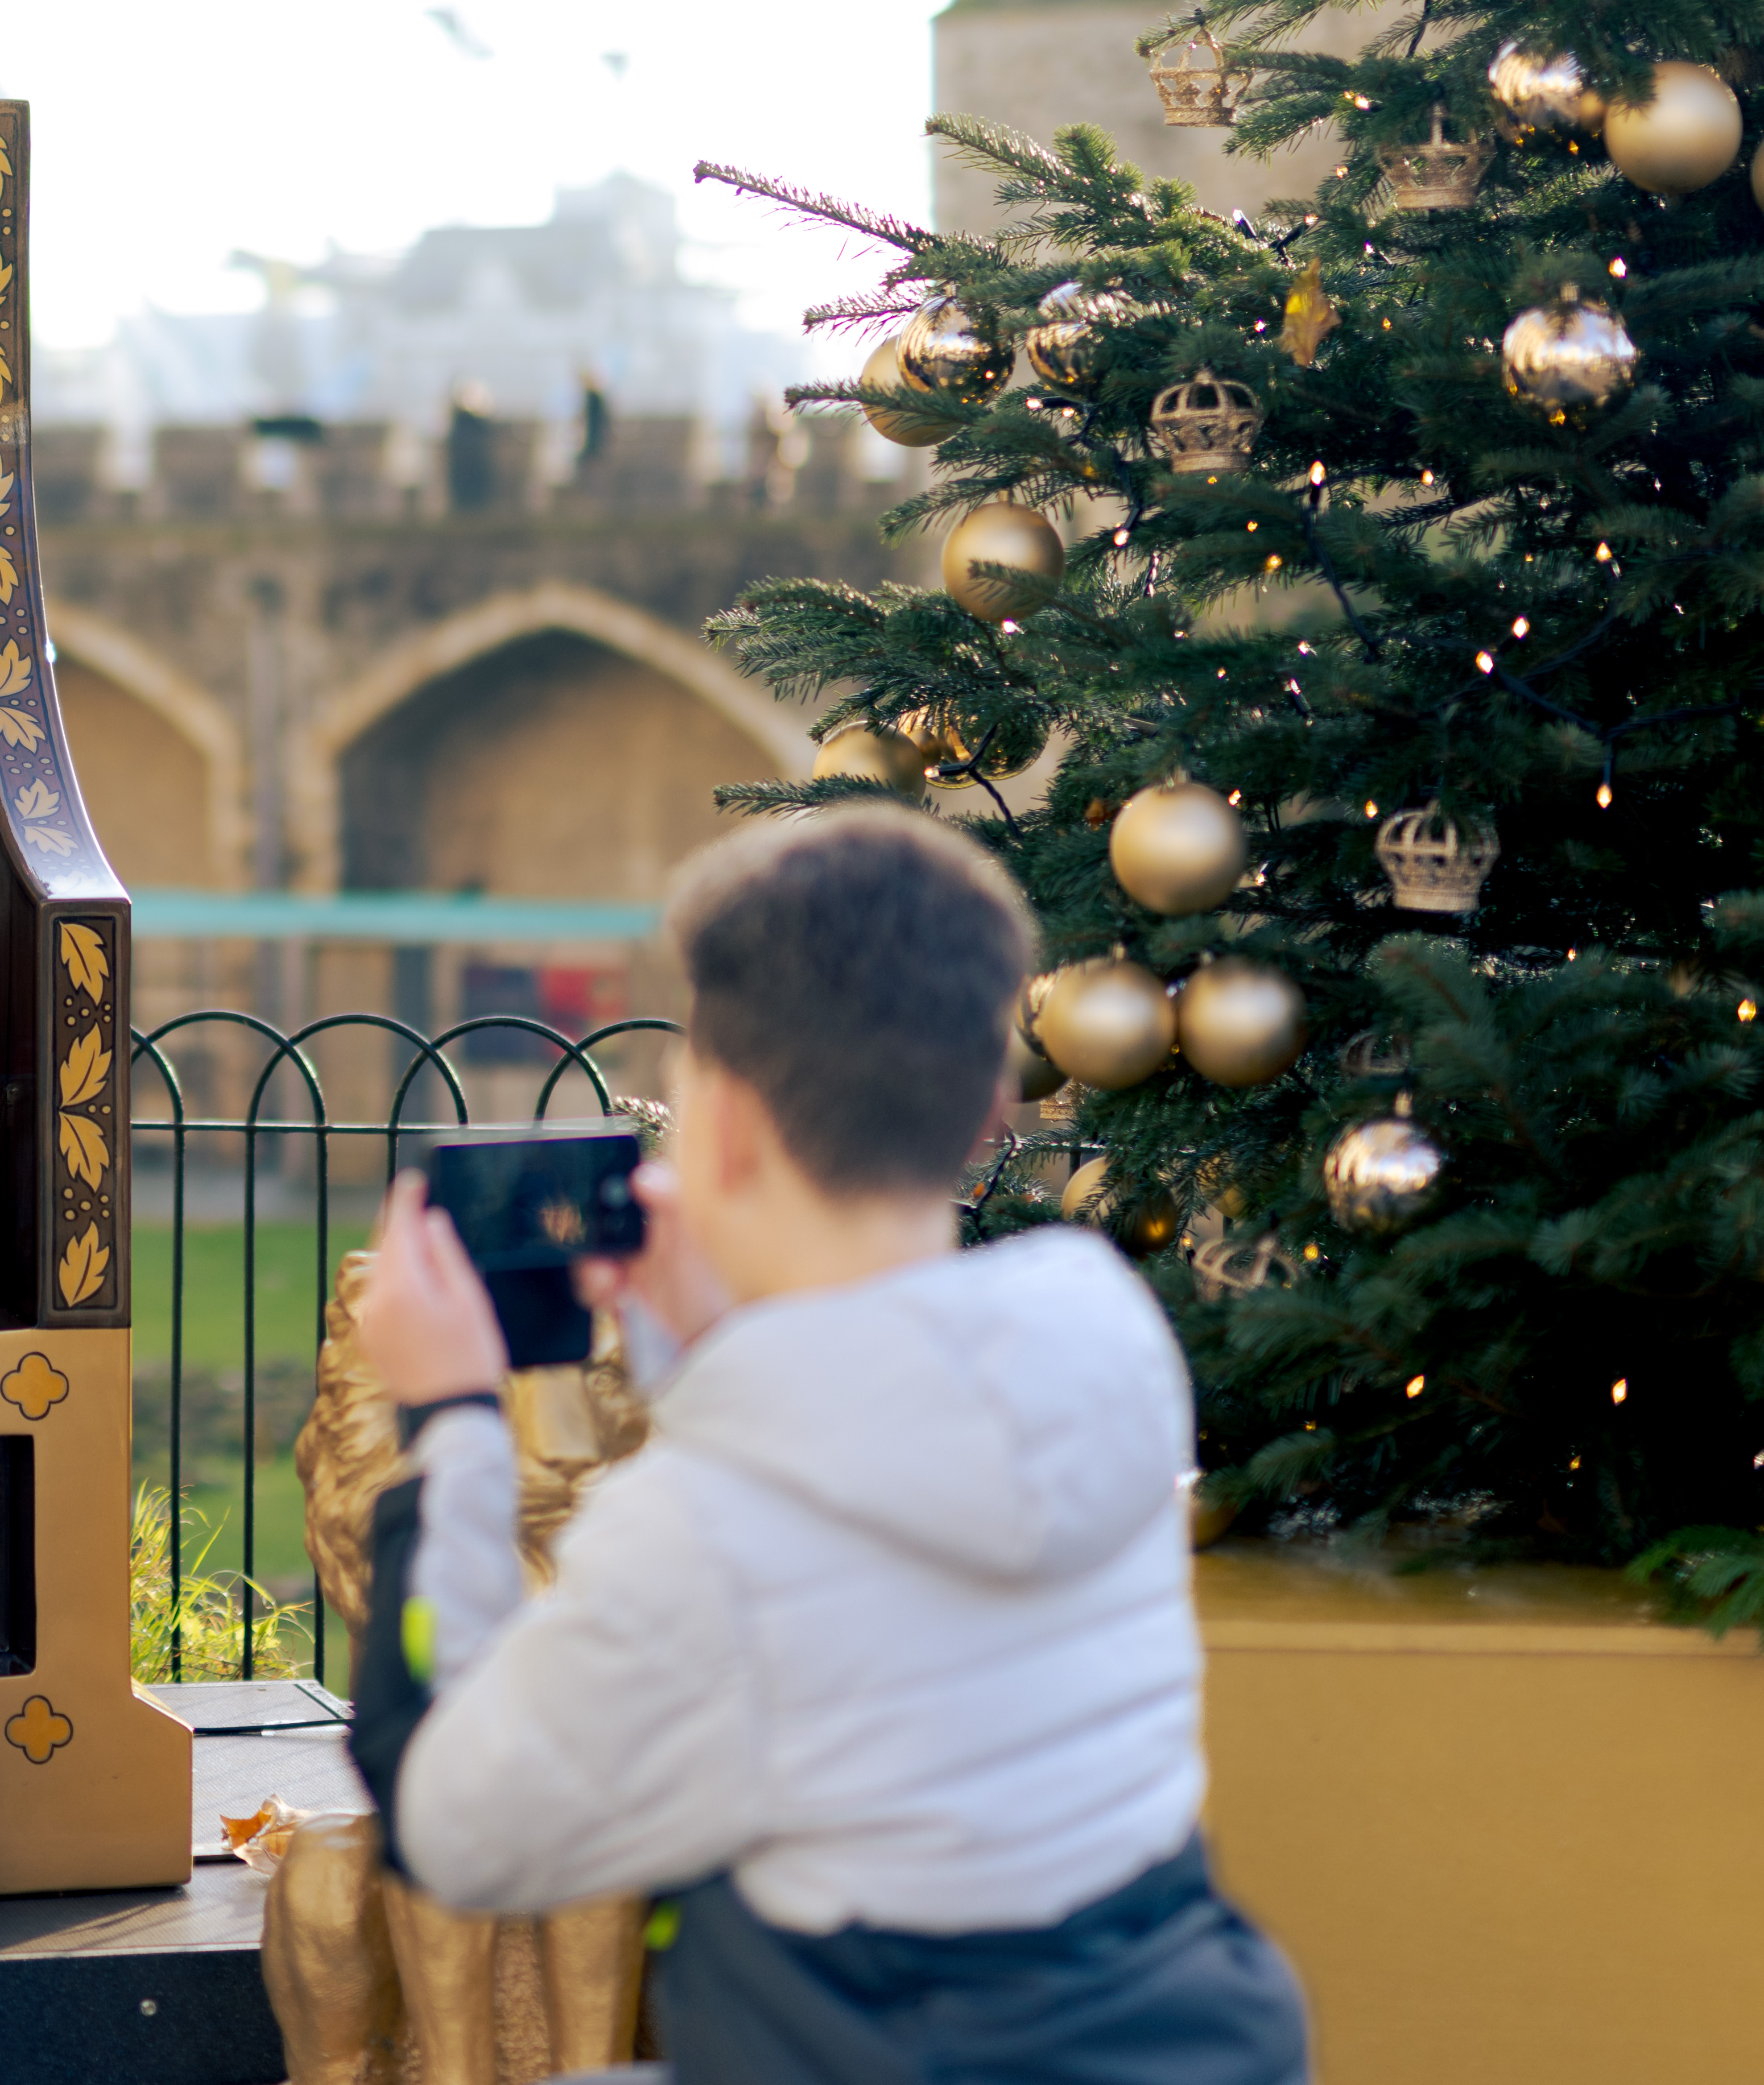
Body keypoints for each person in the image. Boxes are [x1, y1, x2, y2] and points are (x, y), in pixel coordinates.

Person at [344, 808, 1312, 2085]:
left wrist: (452, 1426)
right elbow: (869, 1453)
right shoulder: (1101, 1331)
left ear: (726, 1129)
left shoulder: (701, 1535)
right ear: (983, 1112)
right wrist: (705, 1337)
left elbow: (452, 1828)